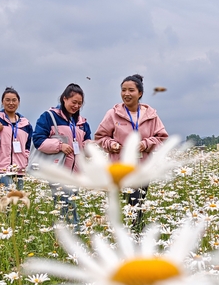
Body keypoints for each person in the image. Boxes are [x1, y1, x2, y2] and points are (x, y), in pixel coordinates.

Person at [95, 74, 168, 227]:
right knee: (121, 209)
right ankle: (124, 235)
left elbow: (162, 138)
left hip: (142, 170)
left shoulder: (151, 115)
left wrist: (145, 144)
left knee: (137, 208)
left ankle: (135, 234)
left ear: (140, 93)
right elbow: (100, 137)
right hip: (119, 170)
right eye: (123, 90)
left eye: (131, 90)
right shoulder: (113, 114)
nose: (126, 94)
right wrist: (111, 145)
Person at [32, 83, 92, 225]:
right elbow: (38, 140)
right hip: (58, 170)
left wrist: (90, 146)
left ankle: (65, 232)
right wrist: (59, 146)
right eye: (74, 102)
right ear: (64, 99)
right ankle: (75, 231)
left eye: (80, 103)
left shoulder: (82, 122)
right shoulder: (49, 117)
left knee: (67, 206)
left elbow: (86, 141)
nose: (76, 106)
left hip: (76, 173)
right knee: (67, 206)